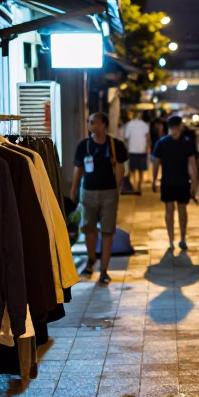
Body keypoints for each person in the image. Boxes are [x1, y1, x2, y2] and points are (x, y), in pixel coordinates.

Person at [71, 112, 123, 284]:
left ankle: (104, 270)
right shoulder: (83, 146)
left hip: (109, 193)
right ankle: (92, 259)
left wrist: (117, 190)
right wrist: (74, 189)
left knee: (108, 231)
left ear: (103, 125)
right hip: (88, 193)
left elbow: (120, 169)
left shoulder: (115, 144)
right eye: (88, 121)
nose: (89, 124)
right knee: (89, 229)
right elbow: (78, 169)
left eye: (93, 121)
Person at [151, 115, 199, 250]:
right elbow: (192, 164)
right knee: (182, 211)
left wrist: (154, 180)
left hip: (167, 181)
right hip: (183, 181)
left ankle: (171, 240)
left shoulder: (161, 142)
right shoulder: (186, 142)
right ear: (180, 126)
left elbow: (156, 163)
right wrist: (194, 182)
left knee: (169, 210)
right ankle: (182, 238)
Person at [121, 109, 151, 192]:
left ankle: (134, 184)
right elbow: (147, 137)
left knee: (132, 169)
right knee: (141, 168)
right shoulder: (145, 125)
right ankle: (139, 184)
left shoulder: (129, 125)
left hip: (132, 149)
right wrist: (148, 148)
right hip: (142, 149)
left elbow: (126, 138)